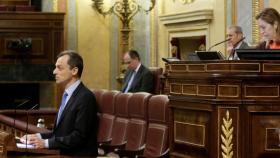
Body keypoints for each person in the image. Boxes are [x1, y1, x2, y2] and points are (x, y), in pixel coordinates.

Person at [20, 50, 98, 156]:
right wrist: (37, 137)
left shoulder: (86, 97)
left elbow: (79, 137)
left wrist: (45, 143)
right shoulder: (67, 95)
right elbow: (60, 134)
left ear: (74, 71)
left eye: (59, 68)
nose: (54, 72)